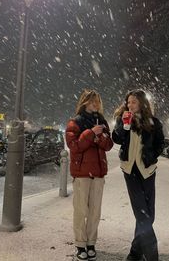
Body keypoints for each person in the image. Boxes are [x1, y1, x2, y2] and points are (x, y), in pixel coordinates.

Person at [112, 90, 164, 261]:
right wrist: (125, 126)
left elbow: (159, 144)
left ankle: (135, 253)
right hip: (130, 170)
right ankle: (152, 256)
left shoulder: (153, 122)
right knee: (142, 214)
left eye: (133, 102)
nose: (130, 105)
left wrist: (152, 158)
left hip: (147, 171)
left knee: (149, 214)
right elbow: (117, 139)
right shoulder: (123, 119)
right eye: (128, 102)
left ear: (141, 103)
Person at [65, 89, 113, 261]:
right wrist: (91, 133)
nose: (95, 104)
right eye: (92, 101)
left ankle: (91, 242)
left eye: (98, 101)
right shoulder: (74, 122)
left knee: (94, 211)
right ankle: (80, 244)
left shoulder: (103, 122)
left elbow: (108, 145)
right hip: (82, 174)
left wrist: (99, 138)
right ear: (84, 102)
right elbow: (75, 146)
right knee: (80, 210)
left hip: (98, 174)